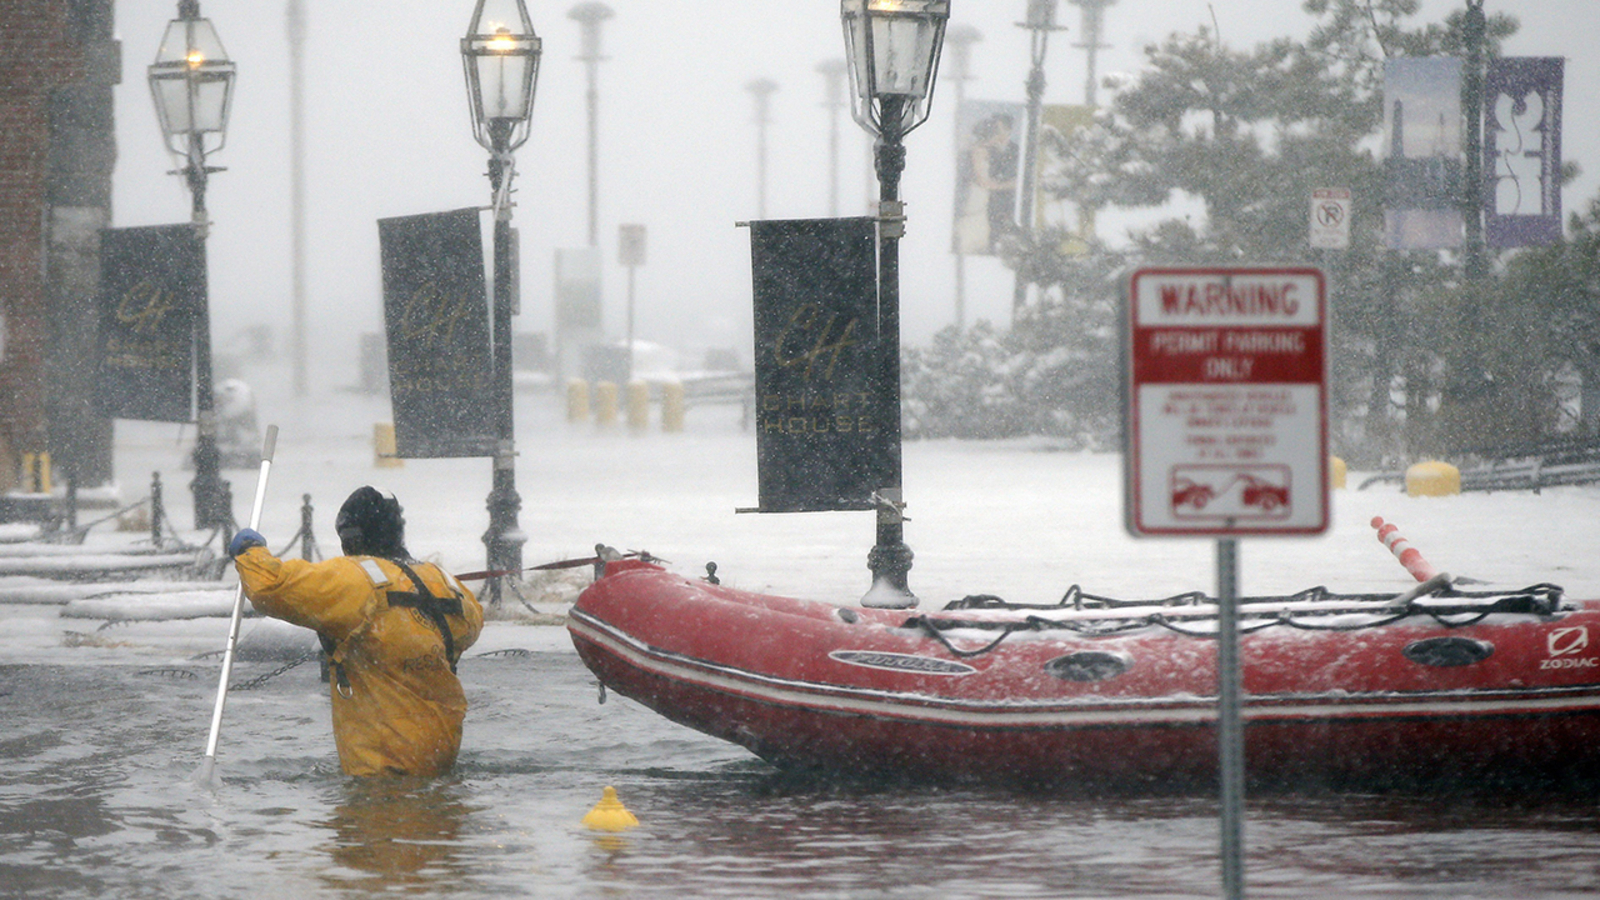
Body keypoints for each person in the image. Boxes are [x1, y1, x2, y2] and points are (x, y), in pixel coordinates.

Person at [229, 486, 483, 777]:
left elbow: (272, 587)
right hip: (439, 758)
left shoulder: (356, 579)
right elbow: (471, 626)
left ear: (352, 537)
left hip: (381, 768)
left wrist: (250, 552)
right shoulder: (441, 580)